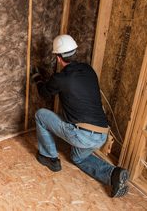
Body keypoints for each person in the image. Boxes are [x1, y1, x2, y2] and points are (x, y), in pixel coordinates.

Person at [31, 34, 129, 198]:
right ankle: (113, 175)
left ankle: (49, 158)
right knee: (78, 158)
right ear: (74, 52)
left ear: (58, 57)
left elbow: (44, 93)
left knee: (41, 115)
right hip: (102, 135)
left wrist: (38, 78)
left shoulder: (60, 78)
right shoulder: (89, 70)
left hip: (82, 135)